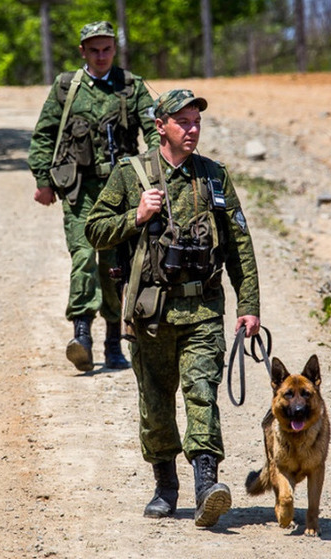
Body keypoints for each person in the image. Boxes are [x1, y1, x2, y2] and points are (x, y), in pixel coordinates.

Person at [85, 89, 261, 527]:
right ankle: (166, 486)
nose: (193, 129)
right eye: (183, 121)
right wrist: (136, 217)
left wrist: (249, 304)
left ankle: (207, 487)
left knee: (202, 394)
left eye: (197, 121)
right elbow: (94, 229)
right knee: (156, 406)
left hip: (202, 310)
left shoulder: (214, 176)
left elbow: (240, 244)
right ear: (160, 126)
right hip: (151, 316)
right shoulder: (132, 175)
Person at [27, 21, 159, 372]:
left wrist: (161, 172)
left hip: (122, 190)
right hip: (80, 191)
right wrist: (43, 179)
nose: (101, 56)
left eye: (107, 49)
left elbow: (155, 130)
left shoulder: (131, 87)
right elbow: (43, 134)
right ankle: (81, 336)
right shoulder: (67, 87)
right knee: (84, 256)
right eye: (94, 49)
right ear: (82, 51)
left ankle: (114, 343)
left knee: (115, 266)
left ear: (114, 49)